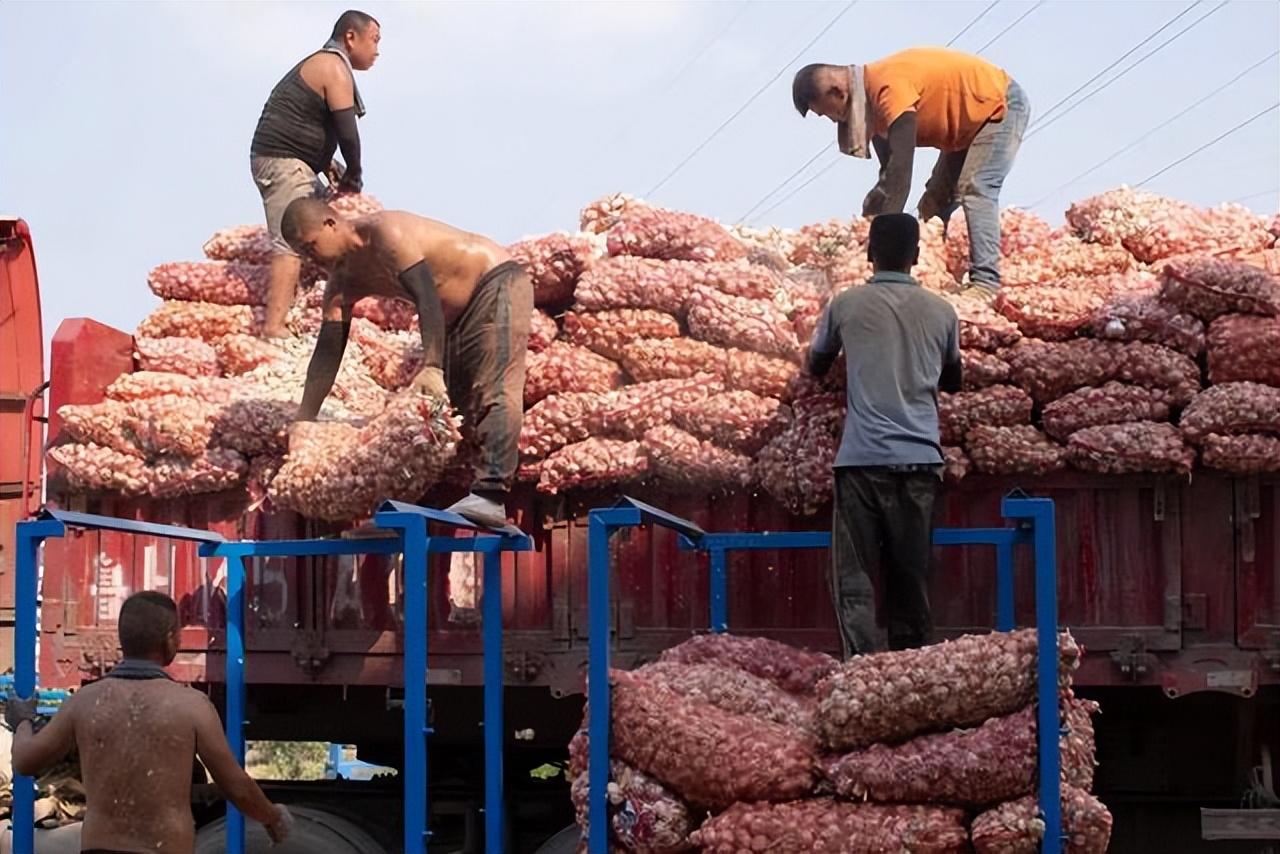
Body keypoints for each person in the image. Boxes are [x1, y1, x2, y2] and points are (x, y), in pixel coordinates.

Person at [280, 198, 533, 529]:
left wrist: (431, 367)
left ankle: (491, 495)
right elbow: (328, 352)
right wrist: (305, 417)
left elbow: (425, 292)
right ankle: (408, 511)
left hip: (494, 283)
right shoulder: (342, 283)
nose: (311, 258)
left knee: (491, 386)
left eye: (311, 246)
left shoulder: (385, 233)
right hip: (453, 320)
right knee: (434, 416)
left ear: (332, 223)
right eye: (304, 253)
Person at [6, 591, 292, 852]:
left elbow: (25, 761)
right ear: (171, 639)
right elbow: (235, 785)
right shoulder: (190, 706)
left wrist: (22, 722)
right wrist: (272, 817)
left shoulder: (84, 702)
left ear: (123, 638)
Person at [806, 213, 963, 658]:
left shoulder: (845, 305)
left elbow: (816, 365)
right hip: (920, 463)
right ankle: (906, 676)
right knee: (910, 582)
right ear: (916, 256)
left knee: (854, 580)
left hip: (861, 463)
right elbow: (953, 380)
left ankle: (860, 671)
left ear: (870, 254)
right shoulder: (942, 311)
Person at [792, 48, 1031, 295]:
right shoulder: (872, 109)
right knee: (934, 203)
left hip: (998, 107)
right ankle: (936, 276)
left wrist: (883, 249)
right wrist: (872, 213)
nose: (831, 120)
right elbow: (888, 176)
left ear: (838, 92)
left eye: (825, 112)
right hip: (965, 128)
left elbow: (901, 171)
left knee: (976, 188)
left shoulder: (887, 88)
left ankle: (985, 283)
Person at [250, 10, 381, 339]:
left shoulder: (333, 67)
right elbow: (347, 133)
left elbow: (308, 123)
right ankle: (274, 327)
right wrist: (354, 174)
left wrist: (326, 164)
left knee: (332, 228)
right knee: (292, 241)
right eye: (375, 40)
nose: (377, 50)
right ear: (351, 37)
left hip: (300, 161)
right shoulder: (332, 66)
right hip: (282, 161)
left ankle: (310, 311)